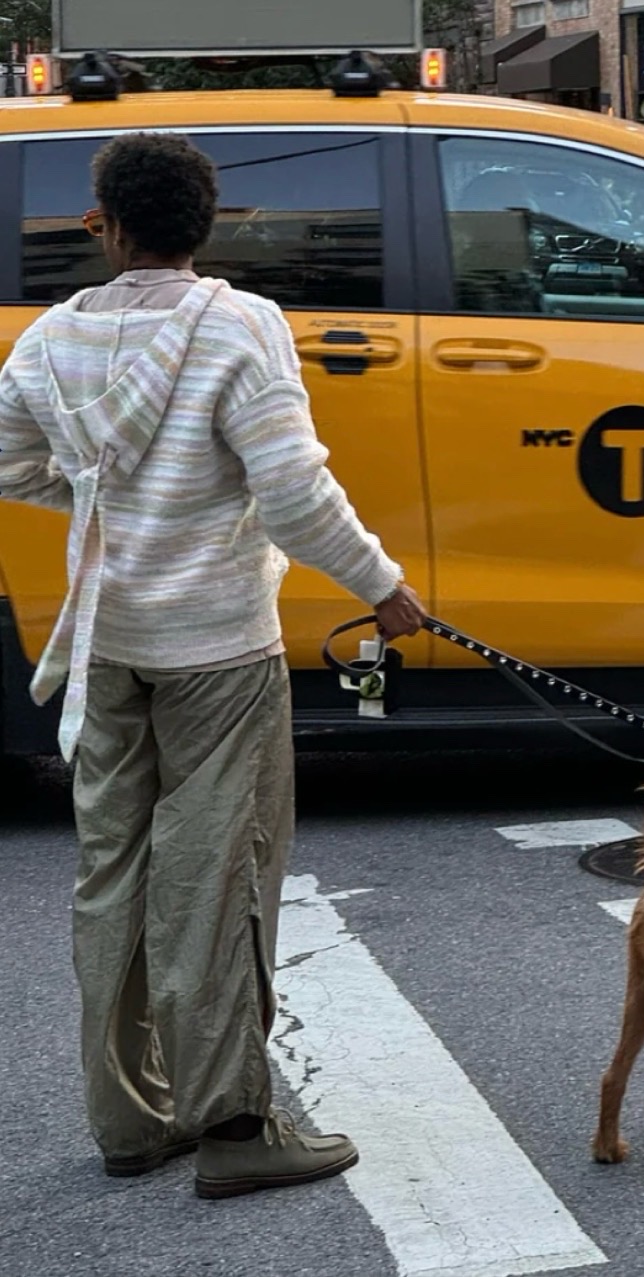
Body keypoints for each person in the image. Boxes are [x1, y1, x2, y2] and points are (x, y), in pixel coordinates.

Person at [0, 132, 426, 1199]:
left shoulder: (48, 343)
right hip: (217, 646)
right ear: (210, 221)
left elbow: (11, 461)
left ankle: (130, 1117)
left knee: (114, 876)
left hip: (109, 645)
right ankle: (235, 1121)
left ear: (106, 223)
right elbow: (288, 491)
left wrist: (107, 501)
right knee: (220, 871)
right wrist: (381, 584)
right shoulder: (240, 326)